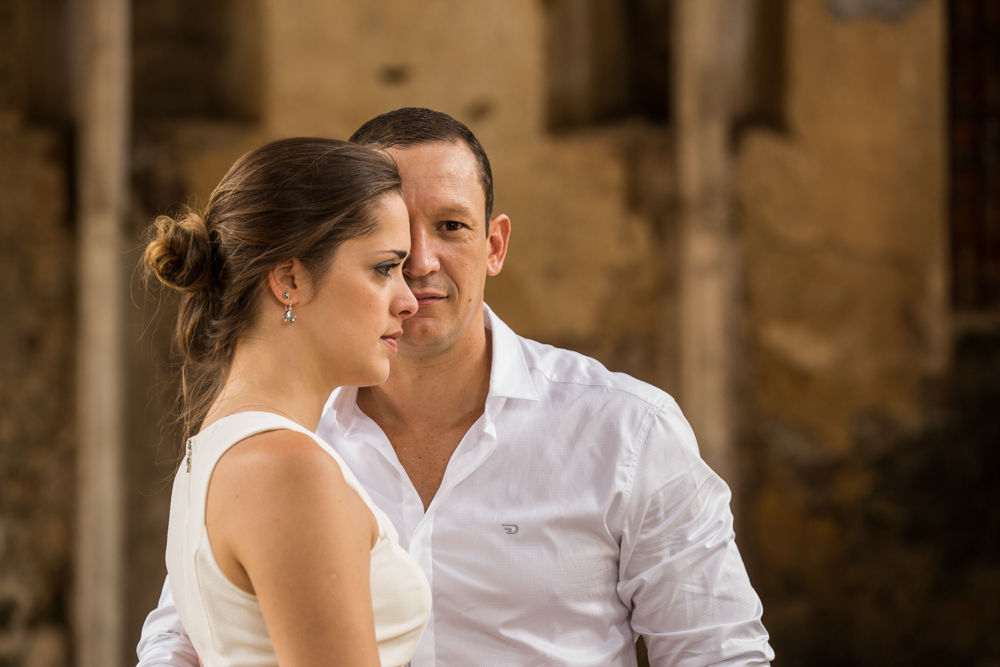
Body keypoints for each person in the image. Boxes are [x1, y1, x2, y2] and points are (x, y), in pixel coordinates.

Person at [139, 109, 774, 666]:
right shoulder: (285, 456)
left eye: (449, 226)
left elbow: (718, 652)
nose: (418, 265)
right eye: (386, 254)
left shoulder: (625, 429)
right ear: (297, 274)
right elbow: (181, 643)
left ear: (494, 245)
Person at [143, 137, 431, 667]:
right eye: (384, 267)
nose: (409, 301)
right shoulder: (287, 470)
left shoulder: (217, 448)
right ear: (290, 279)